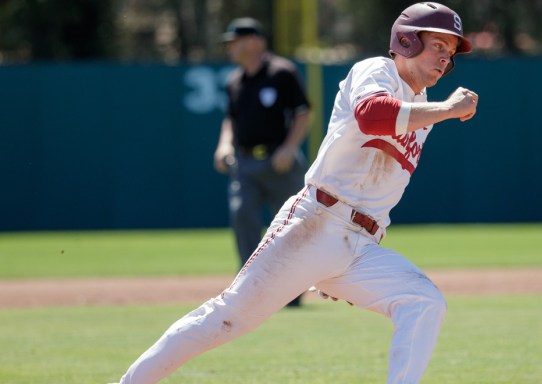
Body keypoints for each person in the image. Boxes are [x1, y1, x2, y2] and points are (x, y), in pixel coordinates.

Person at [115, 3, 477, 383]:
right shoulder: (377, 70)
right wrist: (449, 108)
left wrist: (337, 268)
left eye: (450, 52)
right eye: (438, 44)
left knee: (423, 302)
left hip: (361, 246)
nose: (445, 56)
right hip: (316, 225)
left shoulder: (423, 109)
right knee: (225, 319)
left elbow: (381, 179)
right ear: (406, 41)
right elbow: (372, 115)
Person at [214, 17, 311, 306]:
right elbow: (230, 119)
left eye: (235, 40)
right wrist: (223, 145)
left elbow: (303, 112)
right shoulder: (234, 81)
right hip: (245, 161)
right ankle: (251, 285)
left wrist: (288, 147)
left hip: (280, 163)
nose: (230, 46)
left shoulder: (282, 72)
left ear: (255, 41)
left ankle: (292, 291)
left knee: (292, 226)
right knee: (242, 213)